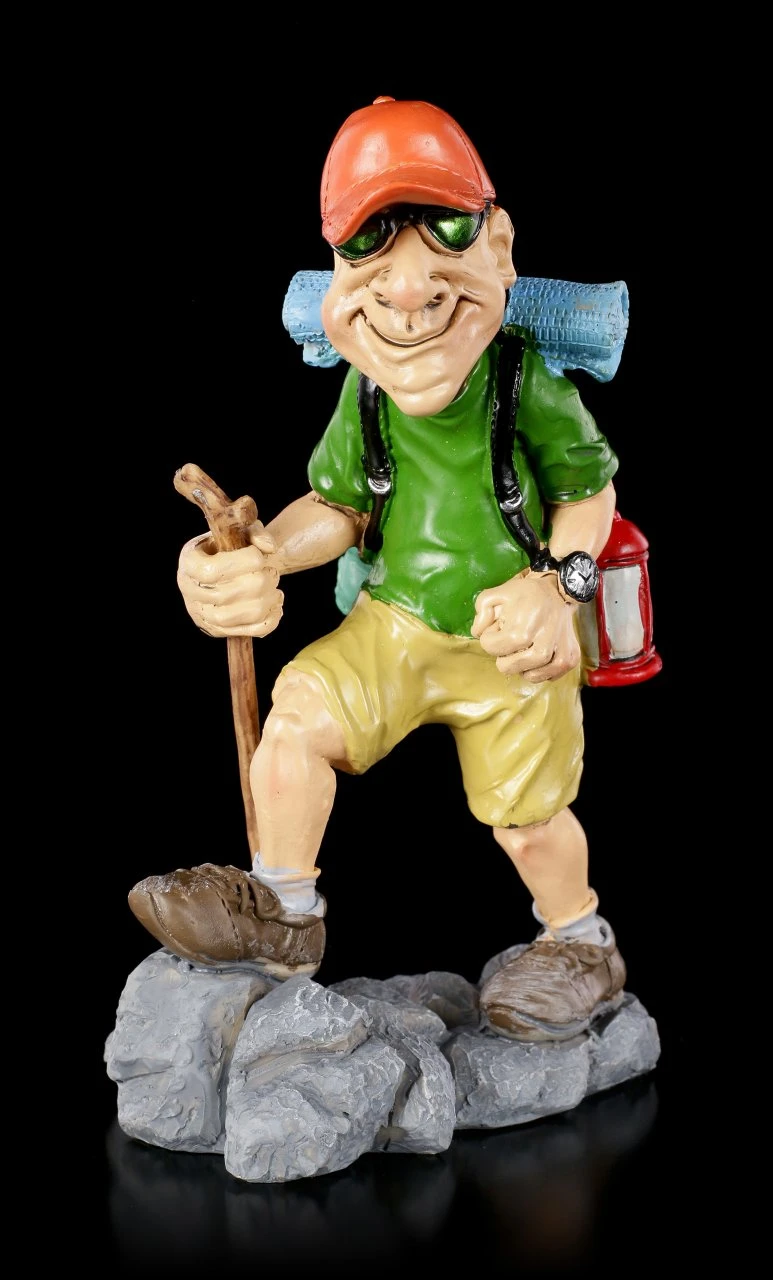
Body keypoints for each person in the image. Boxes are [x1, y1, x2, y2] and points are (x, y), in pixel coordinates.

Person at [129, 96, 628, 1043]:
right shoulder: (367, 395)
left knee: (529, 821)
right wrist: (268, 552)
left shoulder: (522, 381)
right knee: (296, 723)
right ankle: (284, 915)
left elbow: (589, 493)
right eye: (369, 249)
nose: (407, 288)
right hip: (395, 622)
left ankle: (579, 941)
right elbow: (338, 505)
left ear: (499, 248)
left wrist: (555, 586)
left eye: (444, 234)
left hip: (508, 642)